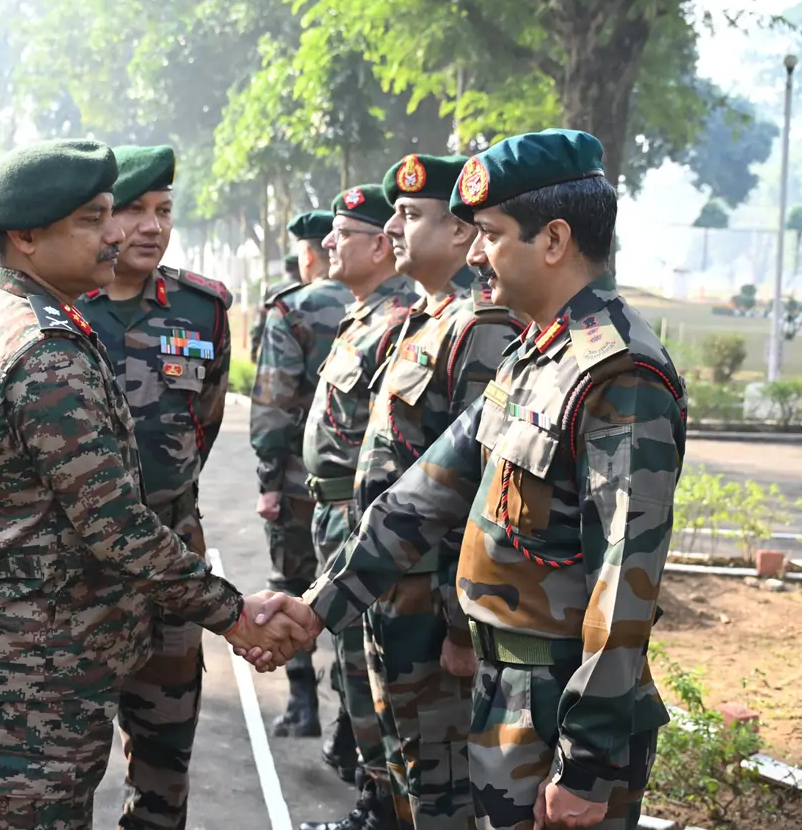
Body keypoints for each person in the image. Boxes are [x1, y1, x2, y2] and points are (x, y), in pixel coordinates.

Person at [250, 129, 688, 830]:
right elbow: (426, 494)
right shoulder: (536, 355)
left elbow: (626, 583)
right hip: (502, 691)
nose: (475, 252)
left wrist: (588, 761)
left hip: (557, 711)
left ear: (552, 240)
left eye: (488, 233)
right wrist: (316, 607)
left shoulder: (619, 372)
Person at [0, 138, 313, 830]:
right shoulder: (45, 349)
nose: (116, 235)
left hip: (47, 641)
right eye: (94, 219)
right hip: (37, 659)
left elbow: (189, 439)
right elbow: (115, 522)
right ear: (24, 235)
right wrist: (233, 612)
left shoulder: (43, 322)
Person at [347, 154, 523, 830]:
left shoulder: (479, 328)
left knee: (442, 787)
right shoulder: (424, 319)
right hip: (390, 591)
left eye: (411, 215)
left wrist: (459, 624)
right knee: (404, 777)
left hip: (430, 606)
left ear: (459, 234)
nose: (392, 226)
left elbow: (475, 492)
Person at [77, 143, 233, 830]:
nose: (150, 225)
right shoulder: (63, 309)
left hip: (171, 561)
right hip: (76, 572)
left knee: (165, 754)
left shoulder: (201, 308)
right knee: (63, 757)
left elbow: (205, 424)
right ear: (100, 217)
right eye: (133, 209)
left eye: (163, 210)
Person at [298, 184, 418, 824]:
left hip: (362, 519)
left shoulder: (400, 322)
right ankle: (374, 798)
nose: (326, 245)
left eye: (342, 235)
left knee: (372, 672)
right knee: (352, 666)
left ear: (378, 245)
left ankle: (383, 803)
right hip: (333, 516)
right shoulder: (363, 314)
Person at [250, 208, 349, 739]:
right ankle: (352, 726)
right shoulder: (398, 305)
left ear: (307, 255)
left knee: (290, 585)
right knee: (357, 595)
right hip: (371, 492)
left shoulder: (293, 309)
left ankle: (302, 707)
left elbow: (272, 404)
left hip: (297, 481)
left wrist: (268, 480)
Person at [251, 253, 301, 362]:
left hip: (274, 346)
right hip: (301, 348)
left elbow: (260, 320)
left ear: (285, 268)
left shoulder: (272, 290)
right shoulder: (308, 288)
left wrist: (254, 348)